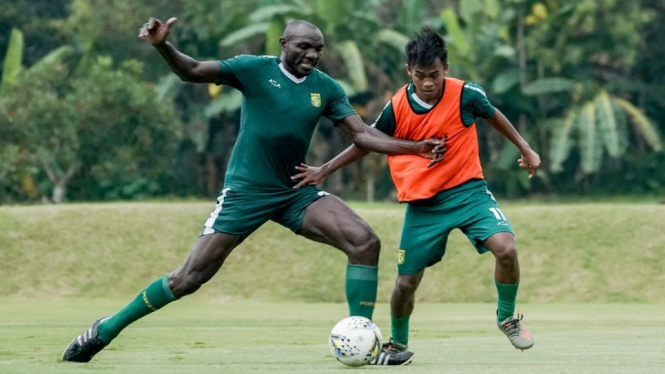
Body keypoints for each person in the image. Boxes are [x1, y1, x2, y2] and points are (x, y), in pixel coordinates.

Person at [61, 18, 445, 363]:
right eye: (303, 47)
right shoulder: (254, 69)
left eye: (318, 49)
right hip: (246, 192)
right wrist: (163, 45)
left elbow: (362, 134)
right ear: (283, 43)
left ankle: (363, 342)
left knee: (364, 241)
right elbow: (192, 70)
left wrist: (415, 147)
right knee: (189, 278)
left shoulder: (325, 88)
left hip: (294, 191)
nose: (312, 54)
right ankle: (107, 329)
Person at [291, 27, 541, 365]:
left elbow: (494, 115)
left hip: (469, 193)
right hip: (424, 206)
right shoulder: (397, 107)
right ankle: (397, 344)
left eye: (434, 75)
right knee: (406, 283)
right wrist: (325, 170)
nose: (427, 82)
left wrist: (525, 148)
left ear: (446, 69)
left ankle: (507, 317)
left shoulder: (467, 95)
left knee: (506, 248)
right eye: (420, 75)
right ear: (409, 71)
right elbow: (366, 141)